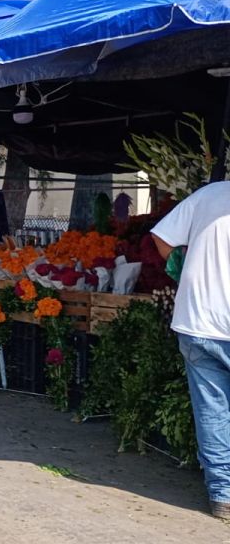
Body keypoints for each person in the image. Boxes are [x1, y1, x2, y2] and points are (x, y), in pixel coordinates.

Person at [151, 181, 230, 520]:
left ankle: (223, 495)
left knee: (212, 411)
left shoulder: (210, 194)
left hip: (197, 320)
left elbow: (162, 237)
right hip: (210, 321)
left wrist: (180, 266)